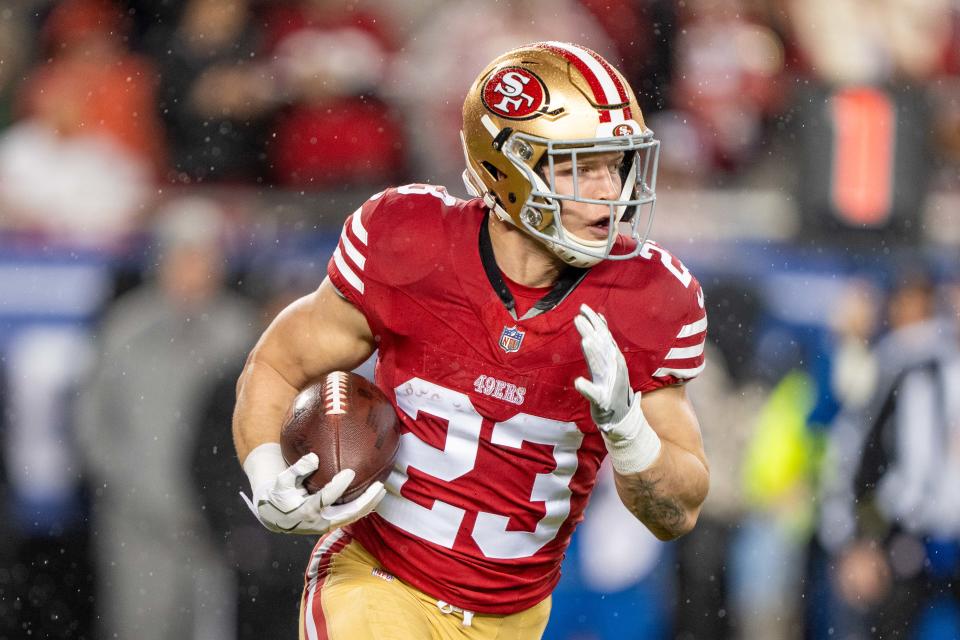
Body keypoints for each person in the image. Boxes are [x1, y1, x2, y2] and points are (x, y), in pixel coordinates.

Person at [233, 42, 710, 639]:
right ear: (508, 168)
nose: (609, 190)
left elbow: (678, 511)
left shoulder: (651, 297)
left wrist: (629, 433)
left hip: (512, 618)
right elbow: (279, 365)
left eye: (616, 164)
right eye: (580, 165)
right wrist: (264, 470)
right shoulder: (409, 242)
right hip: (376, 582)